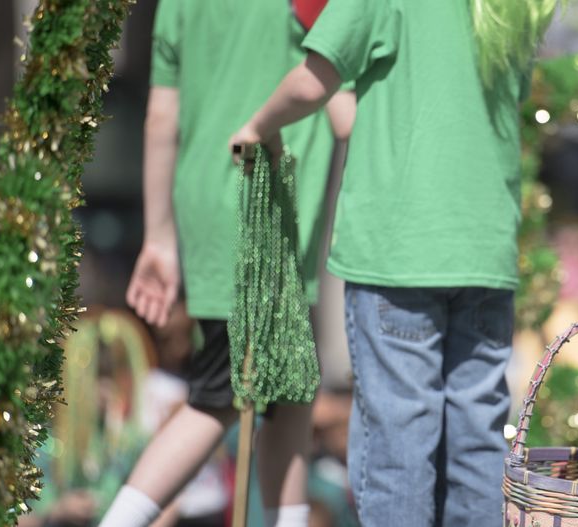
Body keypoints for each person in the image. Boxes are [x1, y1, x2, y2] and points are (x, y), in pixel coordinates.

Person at [229, 1, 560, 524]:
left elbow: (315, 80)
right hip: (483, 248)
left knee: (397, 442)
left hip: (398, 250)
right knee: (478, 441)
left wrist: (257, 126)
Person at [98, 1, 354, 526]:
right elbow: (340, 106)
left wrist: (160, 237)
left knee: (290, 392)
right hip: (266, 201)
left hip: (208, 204)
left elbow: (161, 116)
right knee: (217, 395)